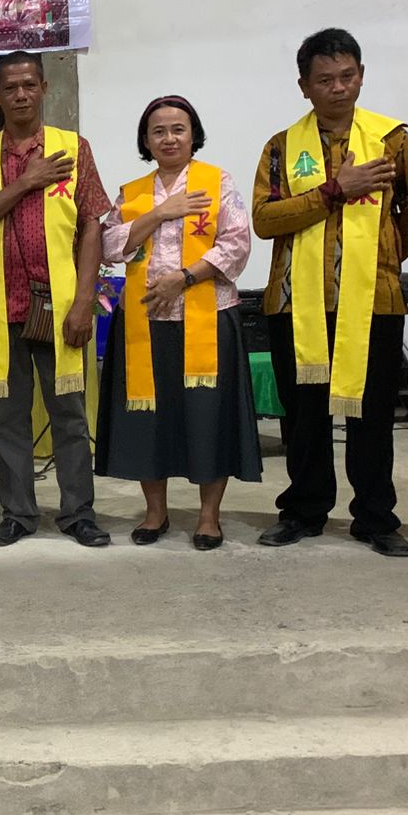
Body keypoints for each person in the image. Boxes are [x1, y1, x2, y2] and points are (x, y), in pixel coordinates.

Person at [251, 28, 408, 557]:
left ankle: (375, 518)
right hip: (295, 304)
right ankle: (304, 510)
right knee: (303, 417)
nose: (338, 88)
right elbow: (264, 220)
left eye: (347, 76)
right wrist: (334, 191)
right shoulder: (282, 147)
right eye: (325, 79)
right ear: (304, 86)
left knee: (371, 416)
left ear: (362, 76)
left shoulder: (393, 142)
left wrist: (384, 257)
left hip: (374, 301)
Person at [0, 50, 112, 548]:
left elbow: (92, 225)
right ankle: (18, 514)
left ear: (44, 88)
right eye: (10, 88)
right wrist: (24, 183)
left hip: (60, 308)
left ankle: (78, 513)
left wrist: (84, 301)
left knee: (69, 417)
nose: (21, 95)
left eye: (29, 85)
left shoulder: (72, 148)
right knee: (7, 421)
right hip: (4, 310)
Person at [98, 96, 260, 549]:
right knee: (149, 418)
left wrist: (184, 278)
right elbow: (110, 245)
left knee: (208, 417)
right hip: (145, 322)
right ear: (146, 141)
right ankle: (155, 513)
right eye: (158, 131)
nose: (169, 138)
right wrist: (158, 213)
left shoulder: (216, 182)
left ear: (193, 135)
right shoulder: (133, 193)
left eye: (178, 129)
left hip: (207, 317)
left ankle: (209, 517)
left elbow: (237, 244)